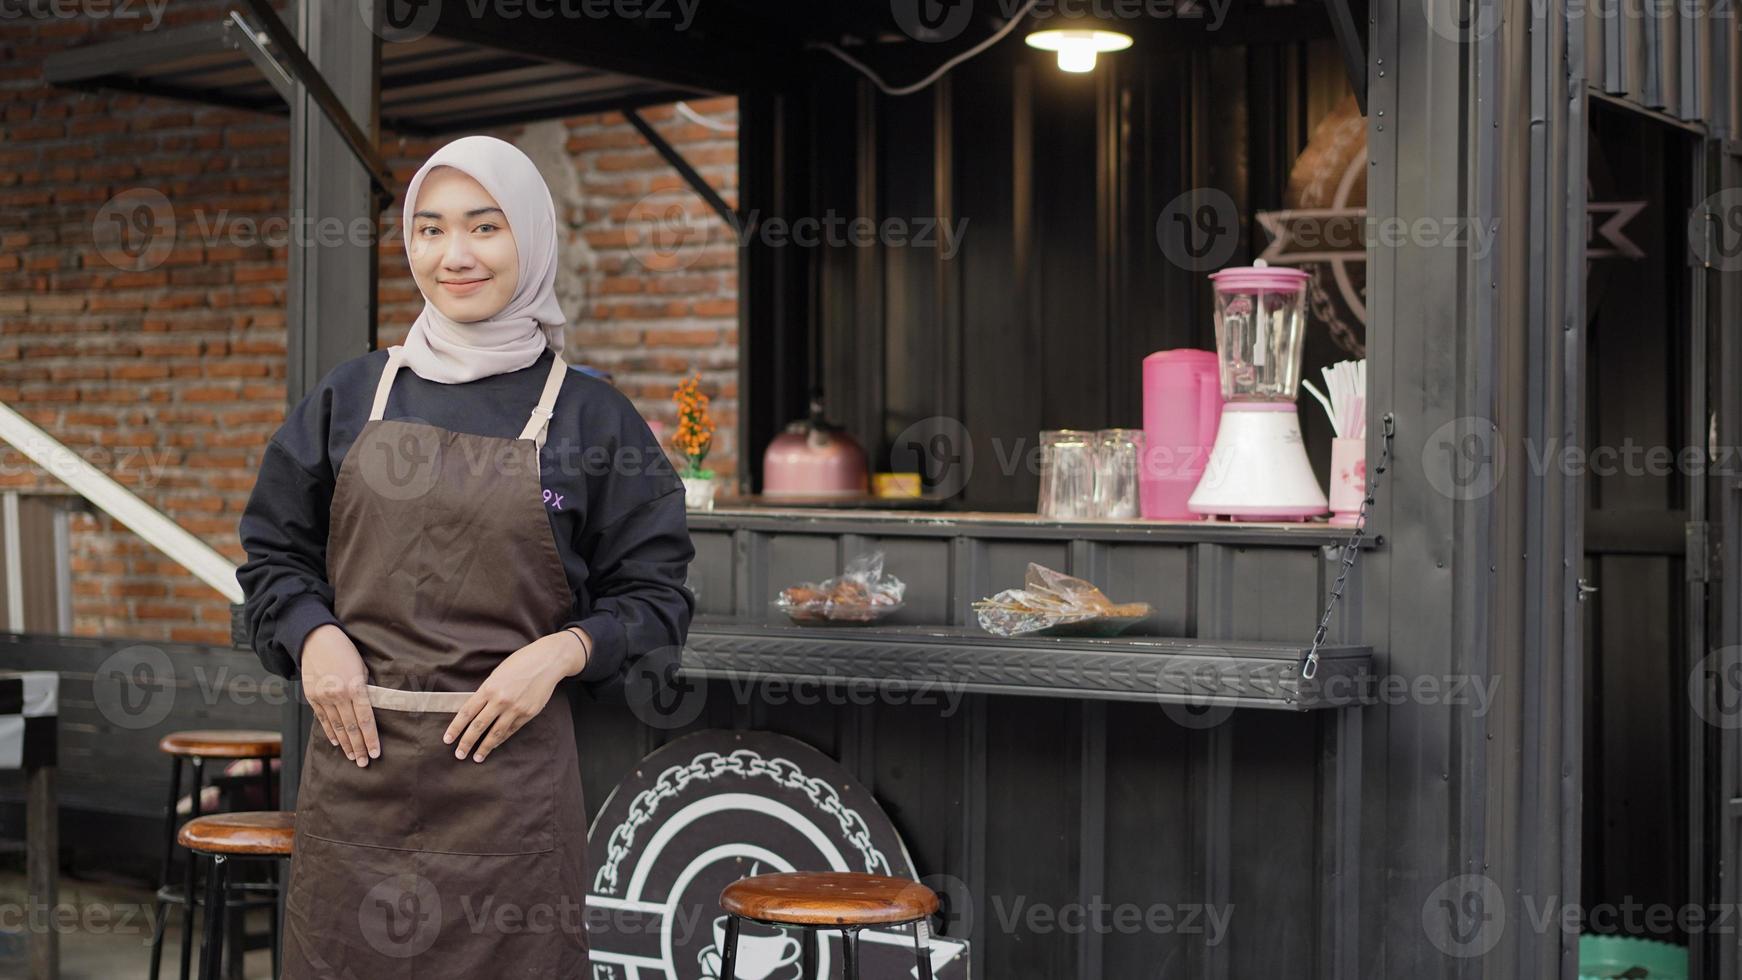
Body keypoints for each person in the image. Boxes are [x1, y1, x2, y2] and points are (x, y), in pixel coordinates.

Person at [236, 134, 695, 978]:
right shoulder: (348, 397)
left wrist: (561, 654)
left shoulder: (593, 420)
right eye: (431, 229)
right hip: (356, 782)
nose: (454, 255)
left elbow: (656, 600)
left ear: (530, 237)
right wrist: (312, 635)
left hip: (508, 800)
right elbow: (272, 555)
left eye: (485, 228)